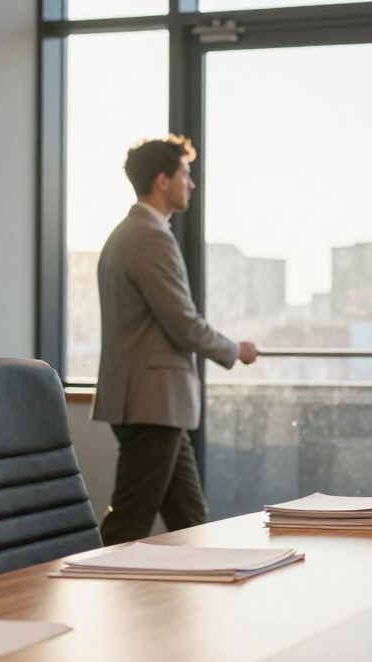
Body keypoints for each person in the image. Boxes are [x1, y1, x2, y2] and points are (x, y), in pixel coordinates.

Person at [92, 134, 258, 545]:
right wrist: (233, 350)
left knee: (191, 522)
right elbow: (182, 322)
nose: (192, 184)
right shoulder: (150, 237)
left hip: (152, 404)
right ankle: (86, 600)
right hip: (153, 403)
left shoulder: (123, 234)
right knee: (128, 524)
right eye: (186, 174)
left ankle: (197, 602)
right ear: (162, 181)